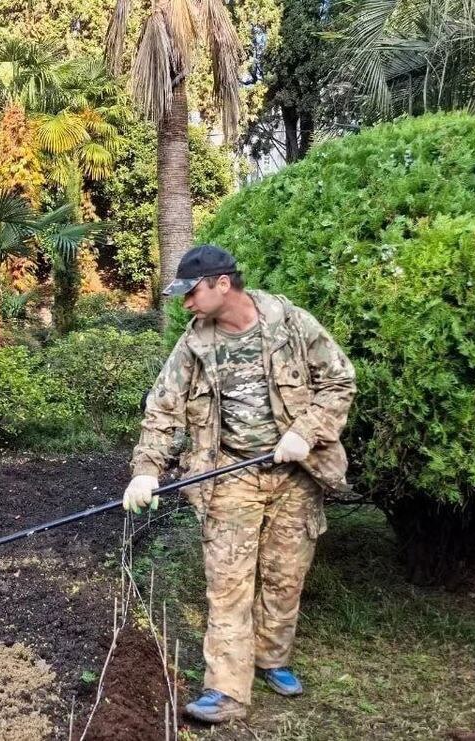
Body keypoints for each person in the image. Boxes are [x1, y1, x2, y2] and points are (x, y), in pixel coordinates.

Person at [124, 245, 356, 724]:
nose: (185, 303)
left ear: (222, 285)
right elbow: (163, 408)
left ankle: (273, 659)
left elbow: (340, 381)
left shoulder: (291, 324)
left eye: (191, 293)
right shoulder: (193, 345)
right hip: (231, 475)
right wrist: (146, 470)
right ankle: (226, 691)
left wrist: (304, 431)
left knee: (284, 577)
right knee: (227, 585)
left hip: (297, 476)